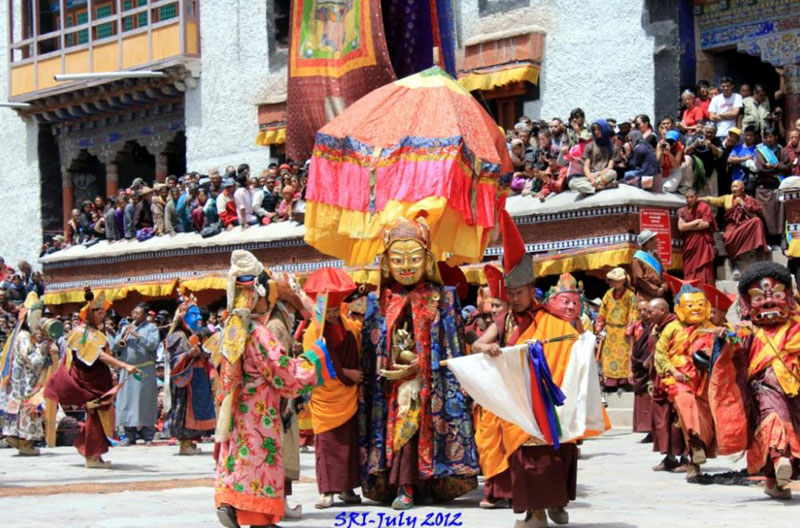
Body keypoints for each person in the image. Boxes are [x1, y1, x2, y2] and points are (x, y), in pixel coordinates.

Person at [358, 215, 479, 510]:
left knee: (425, 430)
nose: (406, 266)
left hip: (431, 384)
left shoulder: (443, 298)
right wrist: (390, 365)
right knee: (402, 434)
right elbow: (372, 351)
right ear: (386, 263)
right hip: (393, 387)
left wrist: (421, 366)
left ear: (427, 259)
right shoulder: (379, 302)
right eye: (398, 260)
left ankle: (427, 486)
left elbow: (451, 346)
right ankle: (405, 486)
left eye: (413, 258)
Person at [214, 250, 336, 528]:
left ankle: (230, 504)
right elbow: (284, 374)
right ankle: (259, 517)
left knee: (237, 459)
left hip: (237, 411)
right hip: (259, 413)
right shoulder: (259, 333)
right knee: (259, 461)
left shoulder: (231, 328)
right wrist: (315, 359)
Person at [471, 212, 538, 511]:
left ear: (531, 291)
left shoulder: (544, 317)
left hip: (530, 390)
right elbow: (476, 344)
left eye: (519, 293)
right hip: (502, 390)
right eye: (511, 294)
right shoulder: (503, 319)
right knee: (490, 437)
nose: (516, 298)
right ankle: (496, 490)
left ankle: (521, 492)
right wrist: (487, 350)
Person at [717, 262, 800, 499]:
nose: (768, 302)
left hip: (795, 388)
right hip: (765, 387)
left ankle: (775, 482)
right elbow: (736, 342)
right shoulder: (748, 329)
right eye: (759, 298)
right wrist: (727, 338)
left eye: (776, 295)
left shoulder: (796, 326)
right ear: (746, 303)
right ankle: (778, 459)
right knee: (774, 419)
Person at [44, 291, 141, 468]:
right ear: (90, 313)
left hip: (98, 378)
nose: (103, 316)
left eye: (104, 313)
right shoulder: (83, 333)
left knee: (98, 415)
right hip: (88, 380)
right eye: (99, 313)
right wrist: (124, 365)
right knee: (95, 415)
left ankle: (95, 454)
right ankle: (92, 456)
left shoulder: (94, 332)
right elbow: (98, 355)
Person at [301, 268, 363, 510]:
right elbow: (315, 359)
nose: (335, 315)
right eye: (330, 311)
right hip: (326, 396)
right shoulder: (312, 331)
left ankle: (347, 489)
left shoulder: (349, 325)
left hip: (348, 395)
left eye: (338, 310)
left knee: (348, 444)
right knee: (326, 445)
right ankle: (327, 492)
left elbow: (358, 348)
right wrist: (346, 373)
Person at [654, 285, 716, 478]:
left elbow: (723, 352)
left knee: (704, 419)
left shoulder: (711, 329)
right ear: (679, 308)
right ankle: (695, 446)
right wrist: (672, 370)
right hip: (679, 380)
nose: (695, 309)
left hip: (704, 380)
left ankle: (694, 460)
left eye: (699, 304)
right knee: (686, 406)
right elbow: (660, 354)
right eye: (690, 305)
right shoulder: (672, 328)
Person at [0, 293, 58, 456]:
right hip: (24, 384)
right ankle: (25, 442)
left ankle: (19, 439)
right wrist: (44, 348)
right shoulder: (24, 337)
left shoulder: (24, 336)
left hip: (23, 382)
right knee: (26, 411)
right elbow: (32, 359)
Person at [163, 298, 215, 455]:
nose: (199, 318)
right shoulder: (177, 336)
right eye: (193, 315)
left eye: (199, 315)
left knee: (196, 409)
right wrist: (188, 354)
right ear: (183, 318)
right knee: (184, 408)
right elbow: (174, 360)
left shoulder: (197, 335)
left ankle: (190, 441)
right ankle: (184, 442)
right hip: (184, 380)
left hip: (197, 378)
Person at [646, 297, 688, 472]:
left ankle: (686, 457)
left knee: (678, 419)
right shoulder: (658, 328)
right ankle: (669, 457)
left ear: (663, 310)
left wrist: (673, 372)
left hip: (676, 378)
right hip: (660, 378)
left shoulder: (677, 327)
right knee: (662, 419)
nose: (647, 315)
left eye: (650, 311)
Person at [112, 303, 160, 445]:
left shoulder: (151, 328)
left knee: (144, 401)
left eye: (138, 313)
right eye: (134, 312)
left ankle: (148, 434)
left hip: (144, 370)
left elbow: (153, 345)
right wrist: (123, 334)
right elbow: (116, 345)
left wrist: (137, 335)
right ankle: (129, 434)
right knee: (126, 401)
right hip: (128, 369)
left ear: (145, 314)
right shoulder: (126, 327)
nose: (135, 315)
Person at [700, 180, 768, 279]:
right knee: (728, 237)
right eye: (732, 187)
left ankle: (758, 252)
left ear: (743, 189)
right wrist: (699, 199)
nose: (734, 189)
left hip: (745, 225)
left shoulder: (749, 199)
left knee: (757, 221)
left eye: (736, 187)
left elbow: (753, 214)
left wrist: (743, 204)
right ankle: (734, 264)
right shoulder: (727, 198)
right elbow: (714, 200)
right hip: (732, 227)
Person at [595, 267, 637, 389]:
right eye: (611, 280)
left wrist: (630, 329)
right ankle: (610, 381)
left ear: (623, 281)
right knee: (608, 355)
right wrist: (599, 326)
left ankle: (623, 381)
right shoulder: (608, 294)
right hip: (610, 330)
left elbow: (633, 312)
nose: (612, 283)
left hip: (623, 331)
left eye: (615, 280)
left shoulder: (630, 295)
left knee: (623, 355)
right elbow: (602, 311)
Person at [754, 126, 790, 241]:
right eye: (766, 137)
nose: (768, 139)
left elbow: (787, 167)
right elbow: (760, 169)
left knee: (779, 216)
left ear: (776, 137)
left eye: (770, 137)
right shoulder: (760, 151)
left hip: (778, 187)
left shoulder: (782, 151)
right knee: (766, 215)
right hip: (764, 189)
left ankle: (779, 240)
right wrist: (777, 169)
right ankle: (768, 240)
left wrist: (774, 166)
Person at [677, 189, 717, 285]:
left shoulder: (704, 207)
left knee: (704, 268)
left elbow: (706, 224)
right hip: (689, 245)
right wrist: (696, 221)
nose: (689, 199)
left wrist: (688, 226)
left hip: (702, 243)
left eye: (691, 197)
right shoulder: (682, 210)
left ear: (697, 197)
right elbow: (681, 227)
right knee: (689, 269)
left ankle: (704, 292)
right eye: (687, 197)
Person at [572, 119, 617, 195]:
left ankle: (589, 188)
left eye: (599, 129)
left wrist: (598, 175)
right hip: (591, 175)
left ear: (604, 129)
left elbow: (610, 167)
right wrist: (590, 177)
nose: (596, 132)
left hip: (603, 174)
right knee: (572, 183)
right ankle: (601, 187)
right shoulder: (590, 146)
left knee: (613, 173)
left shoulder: (613, 147)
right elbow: (586, 166)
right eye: (594, 130)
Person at [631, 230, 667, 302]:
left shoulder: (656, 256)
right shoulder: (637, 258)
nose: (657, 241)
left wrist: (664, 285)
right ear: (647, 243)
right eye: (654, 239)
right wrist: (655, 290)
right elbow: (639, 279)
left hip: (660, 293)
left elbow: (663, 272)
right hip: (646, 296)